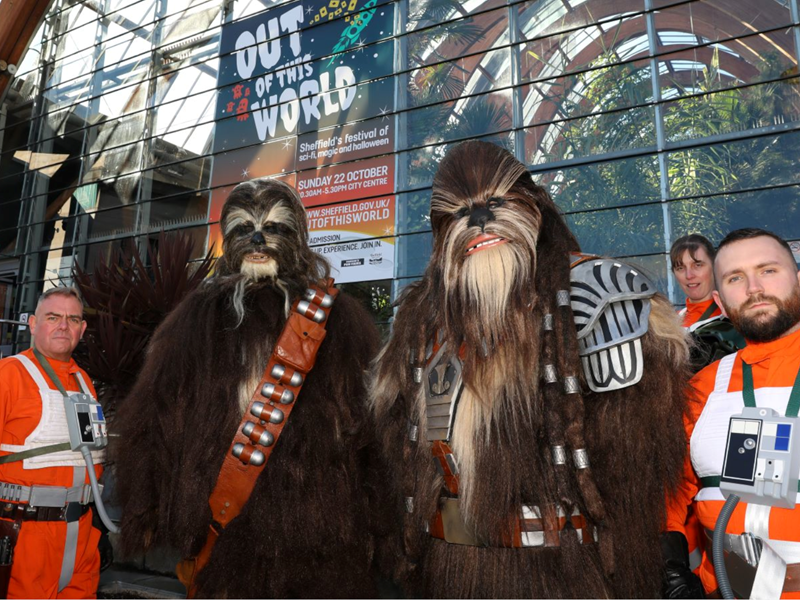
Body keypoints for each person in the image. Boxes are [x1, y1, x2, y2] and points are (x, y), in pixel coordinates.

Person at [369, 141, 692, 597]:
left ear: (534, 207)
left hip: (569, 573)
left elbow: (635, 469)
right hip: (449, 571)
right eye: (461, 212)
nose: (479, 221)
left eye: (495, 203)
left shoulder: (596, 296)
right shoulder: (420, 322)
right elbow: (394, 454)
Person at [112, 178, 384, 598]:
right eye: (244, 229)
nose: (258, 238)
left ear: (297, 239)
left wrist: (376, 517)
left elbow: (370, 427)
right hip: (221, 518)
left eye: (273, 228)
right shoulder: (194, 320)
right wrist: (145, 505)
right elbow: (155, 416)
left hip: (316, 524)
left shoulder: (341, 322)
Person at [667, 228, 800, 598]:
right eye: (735, 278)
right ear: (720, 302)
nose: (754, 288)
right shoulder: (701, 388)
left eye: (768, 270)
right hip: (724, 589)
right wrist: (670, 562)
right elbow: (672, 489)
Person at [0, 287, 103, 598]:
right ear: (33, 324)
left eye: (73, 319)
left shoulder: (85, 382)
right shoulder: (9, 375)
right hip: (23, 539)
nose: (63, 326)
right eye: (53, 317)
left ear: (82, 329)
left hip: (82, 536)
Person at [671, 234, 722, 329]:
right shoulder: (670, 323)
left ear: (715, 267)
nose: (689, 275)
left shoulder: (732, 318)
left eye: (698, 265)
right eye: (680, 268)